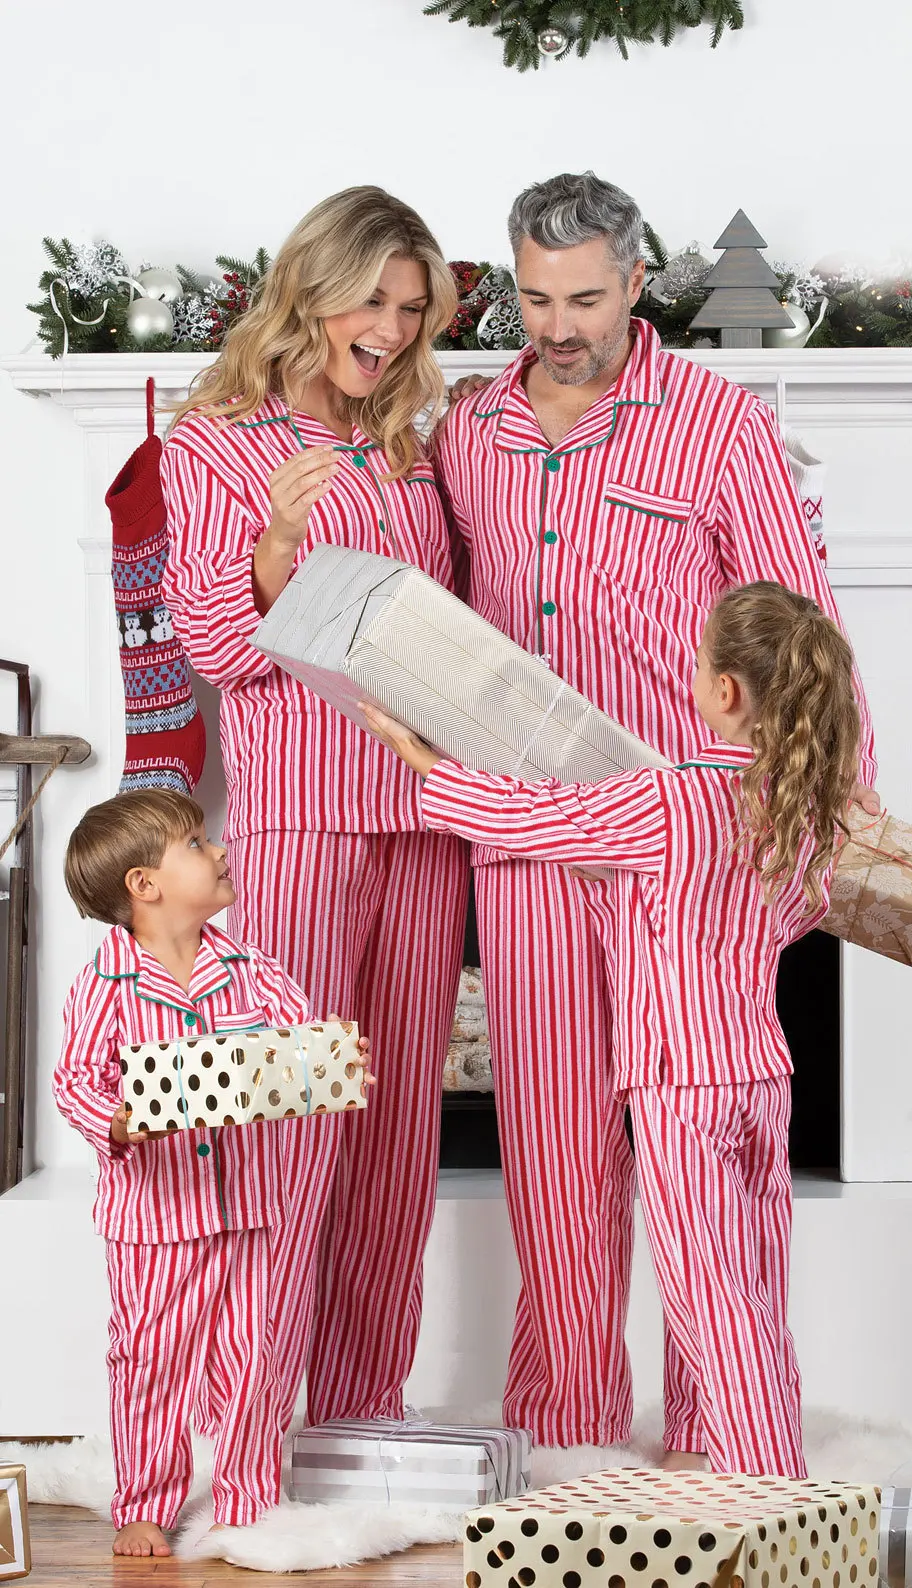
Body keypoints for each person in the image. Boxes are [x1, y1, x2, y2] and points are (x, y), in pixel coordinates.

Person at [433, 170, 878, 1454]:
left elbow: (804, 631)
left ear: (636, 281)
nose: (557, 327)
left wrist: (820, 819)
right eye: (533, 299)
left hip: (682, 852)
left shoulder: (717, 423)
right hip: (531, 843)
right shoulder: (472, 431)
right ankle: (566, 1432)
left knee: (697, 1170)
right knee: (555, 1152)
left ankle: (716, 1438)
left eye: (583, 298)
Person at [361, 580, 860, 1477]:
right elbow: (792, 915)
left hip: (679, 1082)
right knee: (755, 1287)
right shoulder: (803, 814)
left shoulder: (668, 799)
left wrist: (424, 763)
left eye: (697, 664)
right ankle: (761, 1460)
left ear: (722, 691)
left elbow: (531, 817)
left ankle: (765, 1489)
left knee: (712, 1300)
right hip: (760, 1076)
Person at [161, 188, 469, 1430]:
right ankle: (243, 1431)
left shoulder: (410, 443)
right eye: (370, 300)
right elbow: (214, 649)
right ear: (311, 290)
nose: (389, 329)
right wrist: (275, 555)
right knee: (288, 1123)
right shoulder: (217, 442)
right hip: (300, 824)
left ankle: (360, 1417)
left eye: (412, 307)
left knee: (394, 1142)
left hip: (425, 821)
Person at [52, 790, 372, 1557]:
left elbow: (298, 1047)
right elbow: (75, 1081)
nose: (221, 848)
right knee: (151, 1361)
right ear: (144, 885)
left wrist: (332, 1057)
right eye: (197, 844)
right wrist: (118, 1121)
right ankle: (144, 1502)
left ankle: (246, 1496)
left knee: (253, 1355)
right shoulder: (106, 984)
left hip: (249, 1209)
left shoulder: (251, 970)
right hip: (155, 1219)